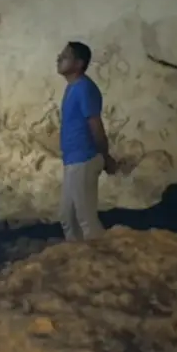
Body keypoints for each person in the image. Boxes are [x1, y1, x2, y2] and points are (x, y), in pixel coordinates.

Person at [56, 41, 116, 242]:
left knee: (85, 219)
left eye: (65, 56)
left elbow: (95, 125)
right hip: (73, 160)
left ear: (79, 63)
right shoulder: (71, 88)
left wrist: (104, 156)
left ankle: (101, 263)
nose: (59, 59)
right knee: (68, 218)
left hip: (84, 158)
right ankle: (78, 264)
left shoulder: (84, 88)